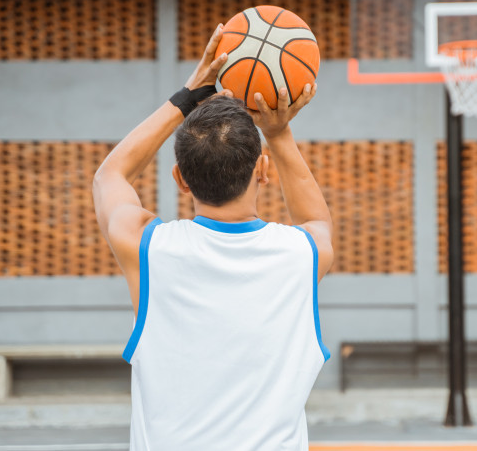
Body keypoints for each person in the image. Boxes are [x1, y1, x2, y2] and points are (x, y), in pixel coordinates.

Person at [93, 25, 333, 450]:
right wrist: (278, 133)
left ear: (179, 180)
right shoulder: (301, 254)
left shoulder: (148, 248)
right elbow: (318, 222)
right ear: (263, 171)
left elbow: (110, 175)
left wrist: (189, 94)